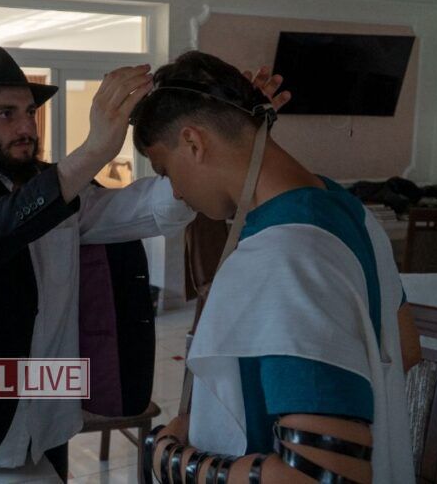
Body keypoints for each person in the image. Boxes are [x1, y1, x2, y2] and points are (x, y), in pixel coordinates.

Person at [0, 46, 196, 479]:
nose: (25, 128)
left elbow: (143, 209)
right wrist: (93, 151)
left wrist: (213, 148)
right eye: (5, 114)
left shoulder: (61, 187)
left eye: (30, 113)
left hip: (52, 398)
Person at [132, 51, 416, 483]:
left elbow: (320, 475)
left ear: (192, 143)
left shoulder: (285, 254)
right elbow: (405, 350)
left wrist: (172, 458)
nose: (175, 191)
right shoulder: (352, 212)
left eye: (165, 171)